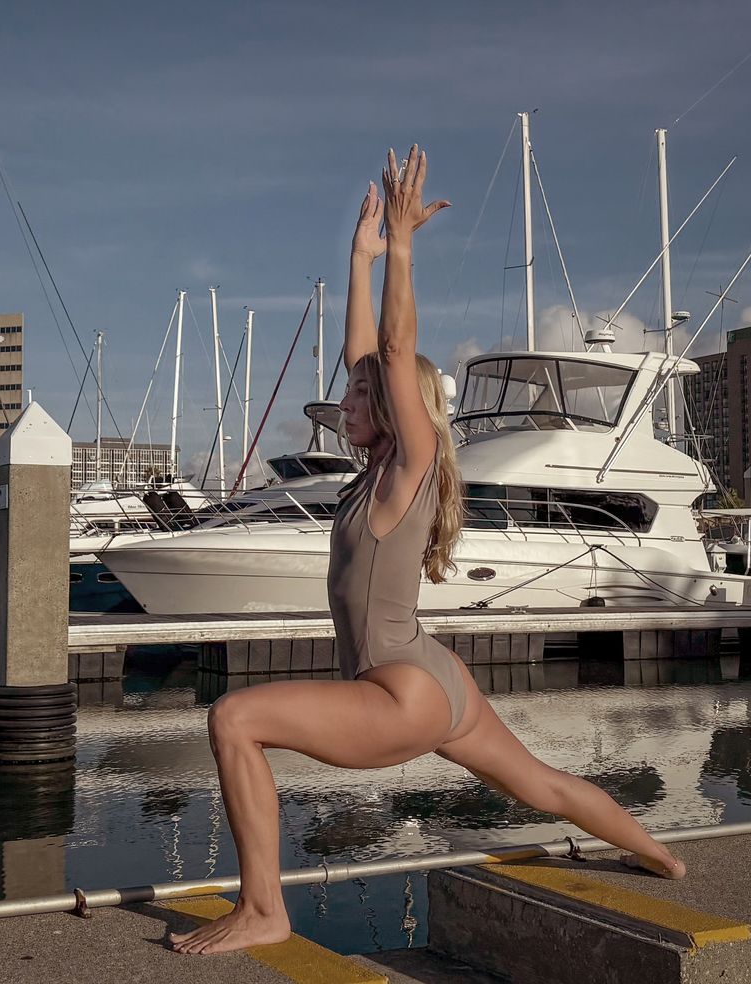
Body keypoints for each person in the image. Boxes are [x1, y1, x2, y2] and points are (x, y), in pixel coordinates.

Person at [170, 146, 685, 957]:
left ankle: (266, 910)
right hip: (437, 677)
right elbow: (366, 351)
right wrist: (359, 257)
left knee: (234, 718)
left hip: (399, 691)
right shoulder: (377, 473)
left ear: (402, 408)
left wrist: (404, 249)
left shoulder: (407, 469)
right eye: (352, 391)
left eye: (363, 396)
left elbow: (395, 355)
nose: (347, 401)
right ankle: (662, 856)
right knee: (542, 785)